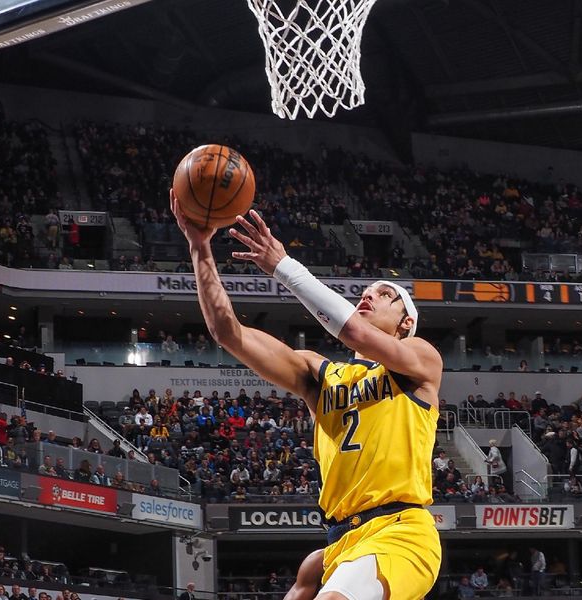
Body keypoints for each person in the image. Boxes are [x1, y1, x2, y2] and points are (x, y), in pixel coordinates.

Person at [171, 194, 443, 600]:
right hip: (341, 539)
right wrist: (200, 247)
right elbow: (230, 333)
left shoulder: (421, 359)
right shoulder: (318, 375)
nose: (367, 296)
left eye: (384, 294)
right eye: (364, 292)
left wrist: (282, 266)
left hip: (401, 531)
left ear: (405, 322)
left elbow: (353, 333)